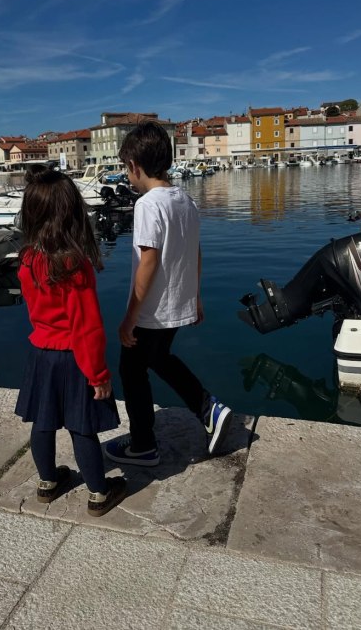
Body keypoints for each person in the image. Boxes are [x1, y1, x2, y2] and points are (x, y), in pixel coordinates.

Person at [105, 122, 232, 467]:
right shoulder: (186, 201)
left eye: (125, 167)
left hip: (152, 310)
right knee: (159, 359)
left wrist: (129, 317)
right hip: (178, 304)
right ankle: (208, 407)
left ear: (134, 165)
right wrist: (195, 297)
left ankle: (143, 445)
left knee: (131, 372)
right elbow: (195, 251)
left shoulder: (148, 204)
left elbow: (148, 261)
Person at [15, 168, 126, 516]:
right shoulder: (73, 265)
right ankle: (98, 492)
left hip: (41, 355)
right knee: (83, 427)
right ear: (73, 212)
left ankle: (48, 482)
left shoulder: (29, 260)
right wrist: (99, 375)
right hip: (74, 358)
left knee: (43, 422)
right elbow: (87, 328)